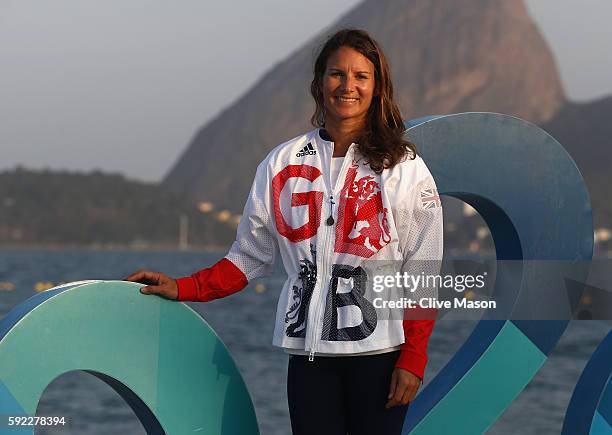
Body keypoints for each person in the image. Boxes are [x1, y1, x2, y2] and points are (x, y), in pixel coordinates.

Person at [126, 28, 442, 435]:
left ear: (377, 88)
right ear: (318, 83)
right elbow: (249, 257)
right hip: (309, 360)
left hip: (380, 356)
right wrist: (184, 287)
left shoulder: (404, 166)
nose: (348, 86)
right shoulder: (281, 162)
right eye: (336, 74)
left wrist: (413, 358)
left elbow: (423, 270)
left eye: (361, 76)